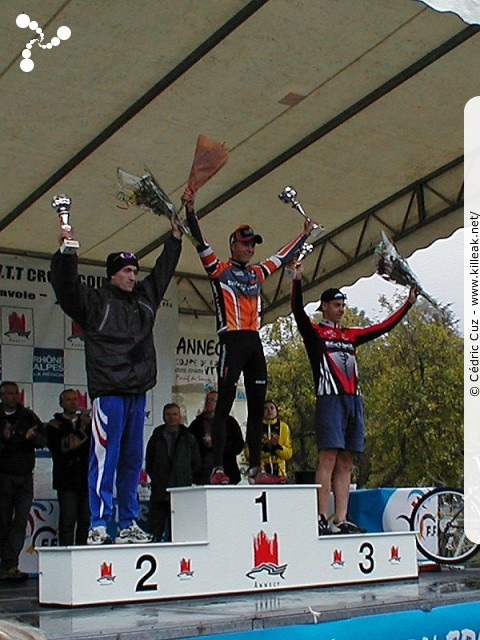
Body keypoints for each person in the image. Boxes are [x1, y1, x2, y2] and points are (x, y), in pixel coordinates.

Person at [50, 217, 182, 545]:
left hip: (137, 392)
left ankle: (127, 522)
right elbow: (66, 290)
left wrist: (175, 239)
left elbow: (163, 272)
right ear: (112, 274)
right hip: (109, 391)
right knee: (104, 459)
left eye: (136, 271)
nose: (133, 276)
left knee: (131, 461)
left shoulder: (145, 299)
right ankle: (98, 523)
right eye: (126, 271)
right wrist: (66, 251)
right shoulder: (94, 302)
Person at [185, 199, 316, 484]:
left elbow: (281, 258)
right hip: (231, 341)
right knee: (224, 405)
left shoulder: (257, 273)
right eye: (245, 244)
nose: (250, 248)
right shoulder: (220, 271)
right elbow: (199, 242)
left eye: (253, 245)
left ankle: (256, 469)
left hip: (254, 343)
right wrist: (190, 212)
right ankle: (218, 468)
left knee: (257, 408)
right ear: (233, 245)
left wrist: (304, 235)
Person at [291, 263, 418, 534]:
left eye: (343, 305)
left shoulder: (351, 335)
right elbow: (297, 312)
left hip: (353, 400)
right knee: (328, 457)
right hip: (329, 398)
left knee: (347, 459)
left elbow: (382, 327)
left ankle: (341, 517)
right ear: (324, 306)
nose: (341, 309)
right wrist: (297, 282)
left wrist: (407, 304)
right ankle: (321, 517)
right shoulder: (315, 333)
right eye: (336, 304)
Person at [0, 381, 46, 580]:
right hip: (3, 475)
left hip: (24, 476)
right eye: (8, 394)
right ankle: (4, 563)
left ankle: (11, 565)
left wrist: (24, 438)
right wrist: (12, 438)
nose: (12, 397)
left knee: (20, 521)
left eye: (15, 393)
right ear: (2, 396)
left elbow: (42, 439)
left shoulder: (27, 415)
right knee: (2, 520)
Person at [145, 403, 201, 541]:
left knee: (178, 530)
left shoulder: (189, 437)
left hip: (180, 489)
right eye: (168, 415)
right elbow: (149, 463)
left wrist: (185, 478)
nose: (171, 418)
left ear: (179, 416)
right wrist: (158, 477)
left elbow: (196, 463)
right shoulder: (156, 437)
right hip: (160, 489)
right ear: (163, 417)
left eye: (174, 414)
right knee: (156, 530)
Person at [46, 389, 91, 545]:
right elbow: (63, 446)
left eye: (75, 399)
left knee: (85, 521)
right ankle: (66, 554)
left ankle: (83, 556)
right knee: (67, 522)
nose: (73, 402)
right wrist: (83, 429)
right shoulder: (54, 425)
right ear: (61, 403)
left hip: (86, 479)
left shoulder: (87, 422)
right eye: (68, 399)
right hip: (66, 480)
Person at [189, 390, 244, 484]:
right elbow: (190, 446)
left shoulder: (230, 422)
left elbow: (238, 446)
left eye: (214, 400)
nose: (210, 403)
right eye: (208, 400)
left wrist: (217, 443)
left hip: (227, 470)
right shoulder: (197, 423)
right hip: (204, 473)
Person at [256, 399, 293, 481]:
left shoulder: (284, 427)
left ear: (276, 411)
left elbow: (289, 454)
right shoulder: (256, 427)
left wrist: (276, 447)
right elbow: (249, 454)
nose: (269, 411)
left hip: (280, 474)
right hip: (261, 474)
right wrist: (266, 447)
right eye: (266, 409)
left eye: (272, 408)